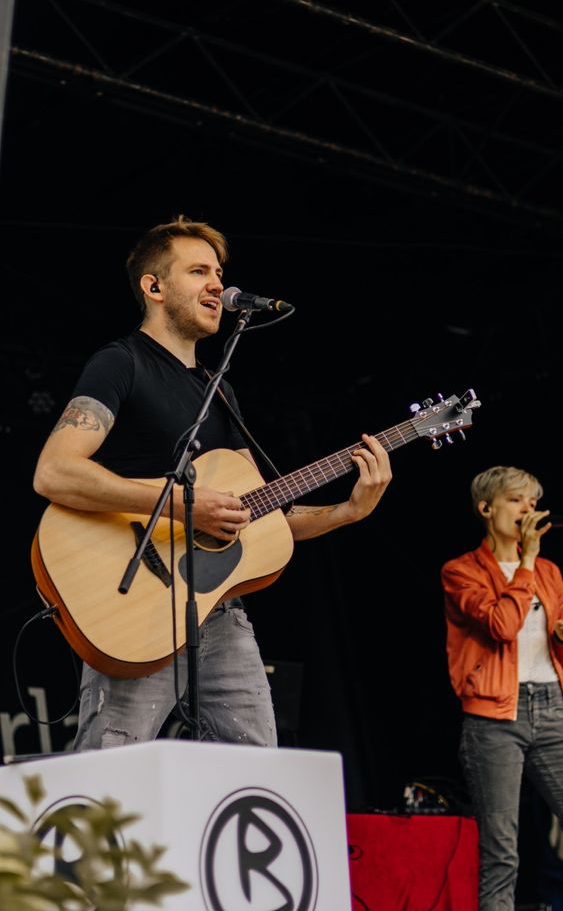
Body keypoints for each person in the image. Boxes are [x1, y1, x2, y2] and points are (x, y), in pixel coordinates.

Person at [33, 215, 391, 750]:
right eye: (198, 271)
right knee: (110, 778)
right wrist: (182, 504)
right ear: (154, 287)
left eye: (219, 272)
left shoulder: (219, 392)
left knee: (256, 779)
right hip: (133, 599)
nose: (218, 285)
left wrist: (347, 512)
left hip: (220, 615)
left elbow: (261, 515)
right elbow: (55, 471)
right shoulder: (120, 363)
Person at [441, 465, 563, 911]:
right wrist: (526, 562)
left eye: (531, 501)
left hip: (552, 711)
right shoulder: (461, 571)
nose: (528, 508)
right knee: (501, 857)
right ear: (487, 509)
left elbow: (561, 659)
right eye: (516, 500)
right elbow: (501, 625)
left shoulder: (550, 572)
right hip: (493, 719)